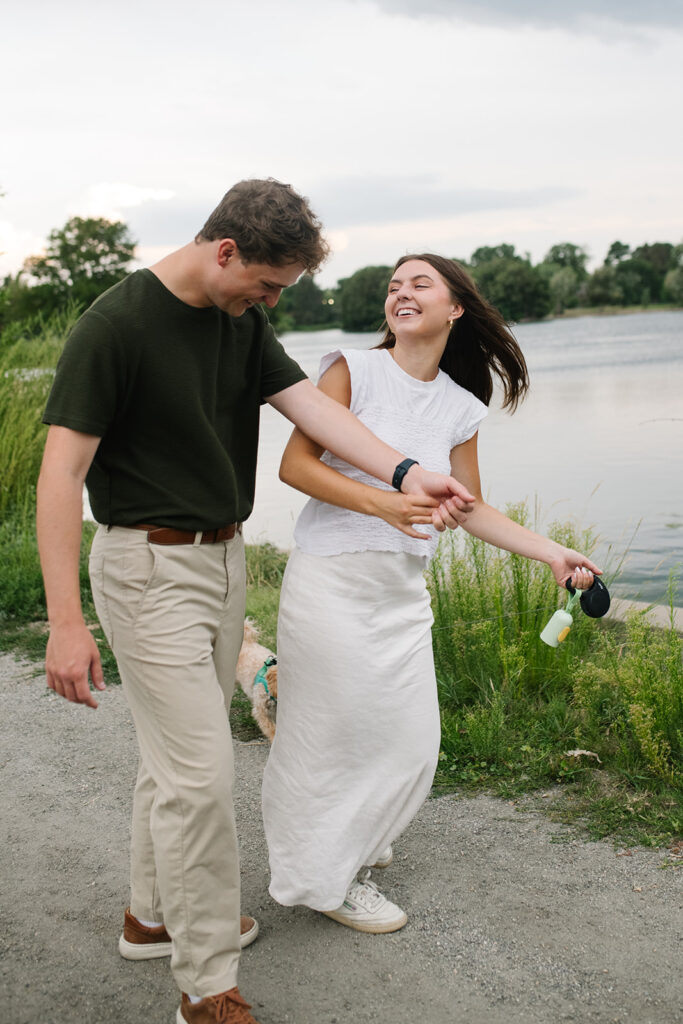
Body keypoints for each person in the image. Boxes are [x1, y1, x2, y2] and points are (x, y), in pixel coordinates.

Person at [36, 189, 476, 1024]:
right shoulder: (115, 326)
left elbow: (313, 411)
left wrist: (407, 473)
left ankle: (151, 917)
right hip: (147, 567)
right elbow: (59, 475)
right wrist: (65, 621)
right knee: (201, 779)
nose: (272, 301)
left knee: (172, 763)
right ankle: (207, 988)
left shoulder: (239, 320)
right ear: (226, 250)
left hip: (224, 559)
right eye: (269, 285)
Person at [262, 253, 601, 934]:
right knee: (327, 738)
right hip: (331, 582)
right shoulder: (351, 371)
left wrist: (549, 553)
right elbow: (294, 466)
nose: (401, 293)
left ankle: (355, 837)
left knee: (411, 742)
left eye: (420, 283)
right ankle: (328, 880)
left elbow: (470, 507)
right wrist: (383, 502)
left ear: (455, 308)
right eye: (393, 286)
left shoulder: (459, 407)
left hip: (401, 594)